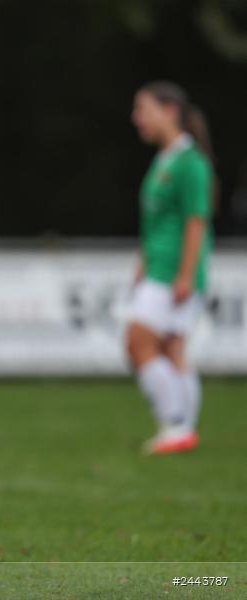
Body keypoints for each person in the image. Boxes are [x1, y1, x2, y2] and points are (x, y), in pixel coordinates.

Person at [127, 81, 215, 455]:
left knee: (138, 342)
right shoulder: (164, 159)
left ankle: (177, 424)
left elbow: (197, 221)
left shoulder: (191, 163)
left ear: (170, 112)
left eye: (143, 109)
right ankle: (181, 428)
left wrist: (186, 275)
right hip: (159, 266)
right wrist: (142, 265)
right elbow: (156, 225)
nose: (137, 119)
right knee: (171, 349)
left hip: (173, 271)